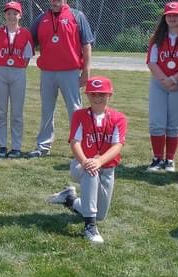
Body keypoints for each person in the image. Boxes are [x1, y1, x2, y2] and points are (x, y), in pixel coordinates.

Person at [47, 76, 127, 245]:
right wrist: (85, 161)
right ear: (87, 95)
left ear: (109, 95)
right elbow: (75, 142)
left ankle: (69, 198)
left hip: (107, 169)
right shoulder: (80, 115)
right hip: (80, 164)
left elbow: (117, 146)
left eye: (102, 94)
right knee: (91, 170)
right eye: (93, 94)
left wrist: (100, 161)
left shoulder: (118, 118)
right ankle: (90, 226)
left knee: (101, 215)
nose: (97, 98)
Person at [27, 0, 94, 158]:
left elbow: (87, 44)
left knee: (75, 110)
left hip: (70, 71)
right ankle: (43, 146)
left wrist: (86, 70)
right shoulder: (41, 19)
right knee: (47, 110)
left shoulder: (77, 16)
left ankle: (80, 147)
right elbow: (28, 41)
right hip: (48, 72)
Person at [145, 1, 178, 172]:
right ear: (164, 18)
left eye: (176, 15)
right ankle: (157, 158)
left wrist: (174, 79)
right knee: (157, 121)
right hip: (159, 83)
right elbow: (152, 62)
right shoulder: (157, 37)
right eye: (169, 15)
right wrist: (165, 80)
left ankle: (170, 160)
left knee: (174, 123)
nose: (172, 18)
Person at [0, 0, 34, 158]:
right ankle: (1, 145)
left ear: (20, 15)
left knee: (17, 112)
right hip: (0, 71)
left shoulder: (25, 33)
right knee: (1, 111)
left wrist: (17, 66)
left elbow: (27, 57)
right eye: (9, 13)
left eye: (15, 13)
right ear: (5, 15)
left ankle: (16, 147)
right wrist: (1, 66)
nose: (12, 16)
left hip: (18, 72)